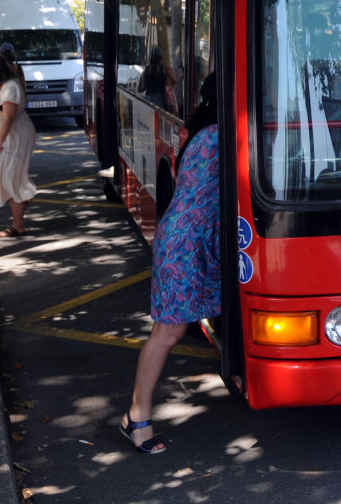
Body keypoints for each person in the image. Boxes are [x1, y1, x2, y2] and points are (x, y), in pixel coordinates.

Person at [121, 73, 220, 455]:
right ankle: (136, 417)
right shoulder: (219, 136)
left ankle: (137, 414)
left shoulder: (202, 130)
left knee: (172, 332)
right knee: (168, 333)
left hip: (189, 238)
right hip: (185, 244)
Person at [0, 51, 38, 237]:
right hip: (0, 137)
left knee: (9, 178)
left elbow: (8, 118)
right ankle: (24, 197)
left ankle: (18, 225)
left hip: (11, 138)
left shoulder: (10, 88)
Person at [137, 45, 177, 113]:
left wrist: (147, 87)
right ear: (160, 57)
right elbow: (174, 80)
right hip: (160, 100)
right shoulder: (165, 69)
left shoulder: (145, 71)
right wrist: (168, 89)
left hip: (148, 100)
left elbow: (139, 89)